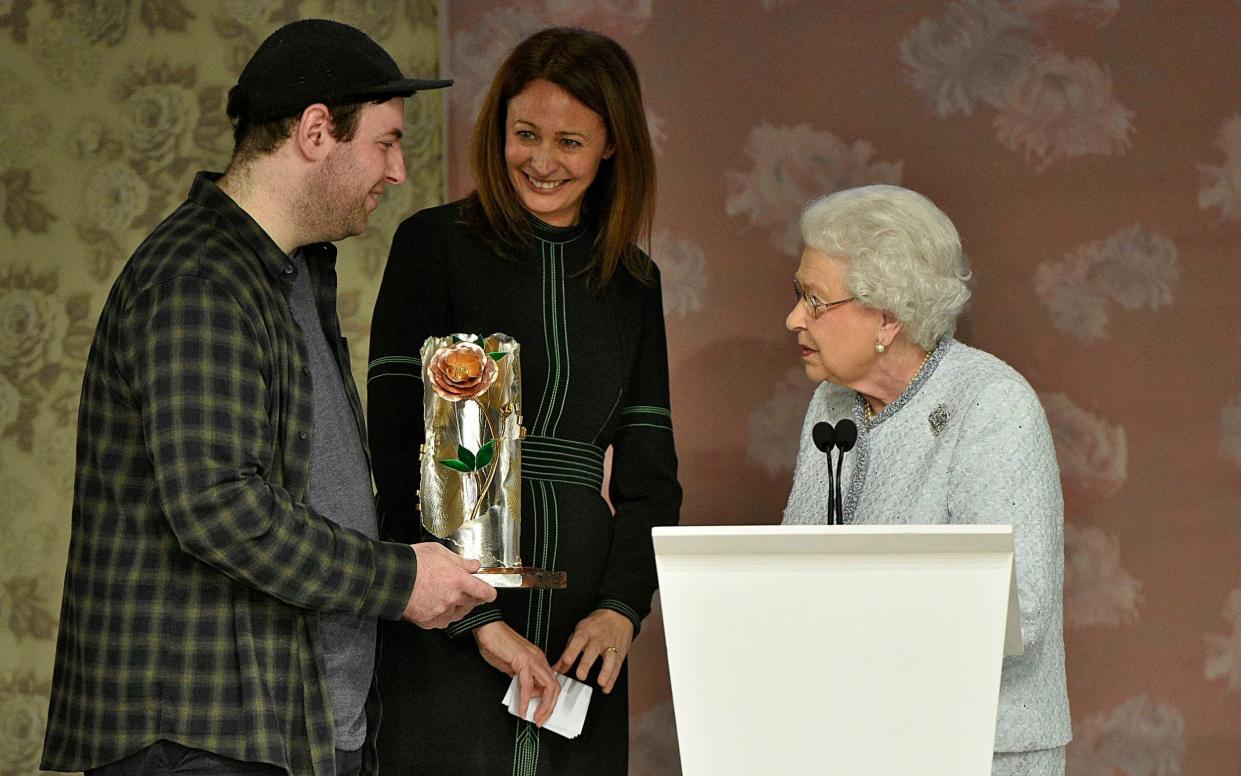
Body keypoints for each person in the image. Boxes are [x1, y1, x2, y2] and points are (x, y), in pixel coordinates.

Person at [40, 19, 496, 776]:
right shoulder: (199, 276)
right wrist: (400, 579)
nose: (397, 171)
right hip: (203, 734)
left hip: (288, 726)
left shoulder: (287, 277)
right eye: (384, 142)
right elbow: (218, 505)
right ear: (317, 131)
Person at [367, 26, 681, 776]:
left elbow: (649, 479)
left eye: (570, 141)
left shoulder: (634, 282)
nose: (542, 161)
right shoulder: (430, 245)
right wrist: (471, 617)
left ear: (610, 148)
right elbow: (392, 449)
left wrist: (621, 608)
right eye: (524, 134)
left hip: (583, 613)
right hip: (447, 602)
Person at [781, 184, 1071, 774]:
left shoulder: (992, 404)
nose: (793, 319)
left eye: (814, 300)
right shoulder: (831, 405)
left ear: (888, 315)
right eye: (797, 294)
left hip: (983, 743)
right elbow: (798, 567)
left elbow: (1022, 609)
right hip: (859, 734)